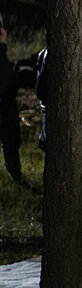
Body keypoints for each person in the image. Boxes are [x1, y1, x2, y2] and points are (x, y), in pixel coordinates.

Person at [0, 19, 24, 185]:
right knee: (10, 141)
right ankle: (15, 176)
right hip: (4, 105)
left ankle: (15, 176)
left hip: (6, 104)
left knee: (12, 141)